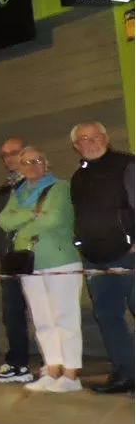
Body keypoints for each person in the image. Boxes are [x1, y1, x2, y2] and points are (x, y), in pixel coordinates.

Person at [0, 146, 84, 394]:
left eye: (37, 160)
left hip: (60, 260)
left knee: (65, 318)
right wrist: (33, 213)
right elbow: (4, 220)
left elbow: (53, 218)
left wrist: (23, 231)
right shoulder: (19, 192)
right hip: (30, 263)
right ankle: (52, 369)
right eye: (25, 162)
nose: (32, 165)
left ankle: (71, 374)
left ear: (46, 163)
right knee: (43, 320)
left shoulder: (60, 187)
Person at [69, 122, 135, 395]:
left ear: (106, 138)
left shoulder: (127, 164)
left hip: (128, 254)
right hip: (94, 258)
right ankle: (127, 372)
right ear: (76, 146)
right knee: (107, 315)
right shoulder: (78, 177)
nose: (91, 142)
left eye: (95, 137)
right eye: (84, 139)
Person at [0, 138, 35, 384]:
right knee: (12, 312)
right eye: (5, 155)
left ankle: (56, 366)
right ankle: (18, 363)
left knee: (43, 313)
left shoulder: (36, 183)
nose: (9, 159)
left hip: (32, 255)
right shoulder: (4, 189)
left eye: (14, 153)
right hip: (9, 258)